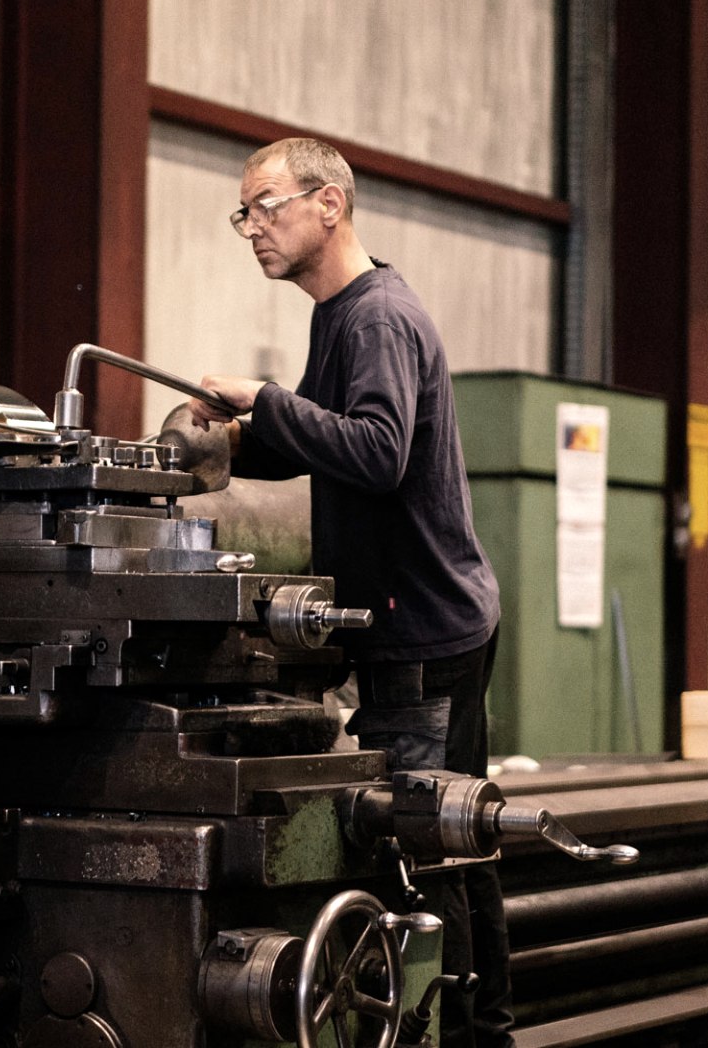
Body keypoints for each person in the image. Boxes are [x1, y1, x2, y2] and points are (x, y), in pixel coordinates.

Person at [181, 138, 511, 1048]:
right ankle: (484, 1027)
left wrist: (267, 395)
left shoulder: (374, 319)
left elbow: (375, 451)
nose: (252, 227)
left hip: (426, 631)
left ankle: (463, 1032)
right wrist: (244, 436)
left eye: (266, 205)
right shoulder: (342, 314)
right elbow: (321, 441)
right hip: (425, 620)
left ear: (329, 205)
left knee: (426, 842)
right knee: (458, 835)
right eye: (243, 212)